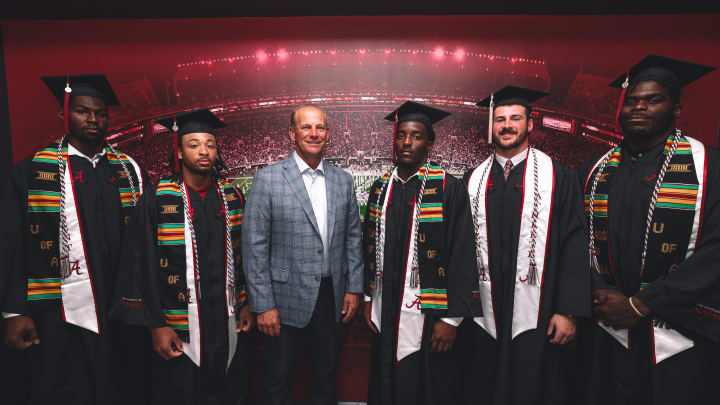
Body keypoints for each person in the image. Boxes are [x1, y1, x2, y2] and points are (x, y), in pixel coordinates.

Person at [578, 55, 720, 405]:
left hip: (681, 336)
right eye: (632, 101)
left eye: (652, 100)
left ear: (676, 109)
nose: (638, 107)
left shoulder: (709, 167)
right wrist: (600, 294)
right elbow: (576, 239)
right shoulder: (594, 169)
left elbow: (715, 250)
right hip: (607, 327)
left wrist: (642, 304)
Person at [0, 74, 147, 404]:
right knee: (68, 388)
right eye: (83, 111)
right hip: (60, 311)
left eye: (100, 113)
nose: (93, 120)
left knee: (124, 386)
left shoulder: (129, 170)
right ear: (64, 114)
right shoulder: (34, 171)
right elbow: (12, 244)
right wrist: (13, 312)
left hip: (122, 309)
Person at [455, 86, 590, 405]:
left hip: (540, 313)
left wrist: (568, 310)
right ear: (492, 125)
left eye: (515, 118)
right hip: (483, 314)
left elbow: (574, 243)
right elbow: (460, 252)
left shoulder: (559, 176)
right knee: (481, 384)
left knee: (533, 386)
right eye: (500, 119)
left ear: (530, 124)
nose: (506, 125)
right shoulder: (473, 179)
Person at [111, 108, 253, 404]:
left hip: (225, 321)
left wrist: (245, 304)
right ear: (179, 150)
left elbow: (243, 259)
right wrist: (156, 325)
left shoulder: (232, 197)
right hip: (178, 326)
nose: (204, 151)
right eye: (194, 145)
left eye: (210, 145)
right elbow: (140, 265)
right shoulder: (158, 197)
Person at [242, 104, 364, 405]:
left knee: (326, 373)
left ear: (328, 133)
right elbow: (254, 245)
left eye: (320, 127)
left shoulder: (343, 180)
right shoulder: (267, 179)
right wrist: (263, 305)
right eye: (306, 127)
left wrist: (353, 287)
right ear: (292, 133)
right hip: (282, 299)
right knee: (277, 376)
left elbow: (352, 238)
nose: (313, 133)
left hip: (330, 294)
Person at [362, 101, 482, 405]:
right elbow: (369, 246)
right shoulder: (381, 188)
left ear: (429, 143)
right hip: (385, 305)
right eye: (401, 135)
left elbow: (463, 253)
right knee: (385, 376)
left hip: (430, 313)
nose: (406, 142)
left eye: (415, 136)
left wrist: (451, 319)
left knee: (425, 385)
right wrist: (368, 298)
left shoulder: (449, 189)